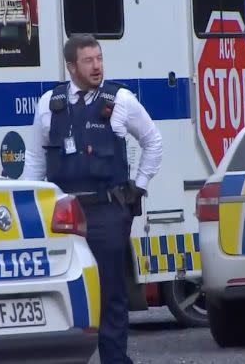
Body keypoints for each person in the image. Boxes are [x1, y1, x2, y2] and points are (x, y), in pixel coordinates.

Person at [22, 34, 163, 364]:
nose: (97, 65)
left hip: (106, 211)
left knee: (110, 292)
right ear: (71, 66)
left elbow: (153, 142)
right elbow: (34, 159)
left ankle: (114, 360)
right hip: (63, 215)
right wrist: (28, 201)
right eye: (88, 60)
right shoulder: (49, 104)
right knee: (65, 290)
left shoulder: (120, 99)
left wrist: (137, 187)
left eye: (99, 58)